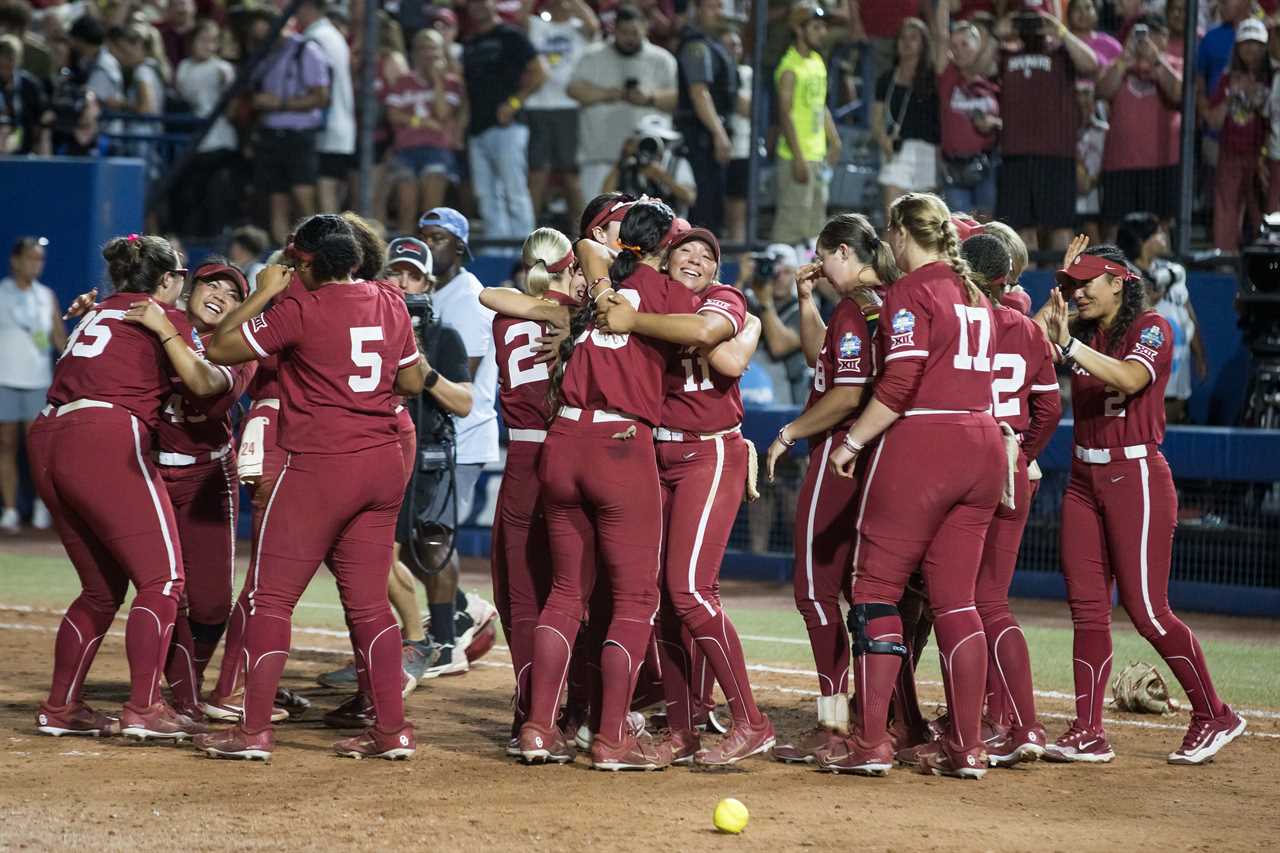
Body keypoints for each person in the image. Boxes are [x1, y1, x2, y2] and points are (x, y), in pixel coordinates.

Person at [196, 214, 427, 761]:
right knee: (370, 606)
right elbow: (414, 381)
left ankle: (253, 731)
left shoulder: (302, 308)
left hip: (321, 464)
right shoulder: (391, 300)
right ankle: (391, 731)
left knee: (271, 600)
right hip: (383, 461)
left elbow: (221, 348)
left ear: (306, 262)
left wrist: (259, 296)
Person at [515, 200, 716, 769]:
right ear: (664, 247)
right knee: (634, 600)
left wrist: (606, 287)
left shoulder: (601, 283)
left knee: (564, 594)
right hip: (620, 446)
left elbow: (586, 248)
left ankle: (537, 729)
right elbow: (708, 333)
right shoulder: (672, 294)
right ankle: (610, 739)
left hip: (562, 440)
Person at [819, 193, 1004, 778]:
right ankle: (966, 746)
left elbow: (899, 382)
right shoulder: (976, 293)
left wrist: (850, 443)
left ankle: (871, 742)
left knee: (874, 588)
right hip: (982, 443)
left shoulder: (910, 291)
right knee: (958, 601)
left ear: (899, 234)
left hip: (926, 442)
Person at [1040, 240, 1246, 766]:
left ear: (1119, 283)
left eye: (1088, 282)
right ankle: (1088, 730)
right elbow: (1041, 331)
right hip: (1083, 476)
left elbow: (1131, 378)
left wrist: (1070, 346)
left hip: (1136, 475)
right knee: (1087, 611)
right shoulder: (1084, 330)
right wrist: (1060, 290)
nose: (1079, 292)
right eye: (1073, 284)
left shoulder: (1152, 326)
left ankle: (1214, 713)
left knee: (1148, 610)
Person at [30, 234, 225, 741]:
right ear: (164, 280)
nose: (183, 288)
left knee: (100, 591)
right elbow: (204, 384)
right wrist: (169, 331)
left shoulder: (97, 312)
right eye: (179, 278)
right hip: (102, 436)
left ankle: (61, 706)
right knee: (163, 580)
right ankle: (143, 708)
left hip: (48, 434)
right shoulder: (161, 317)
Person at [601, 226, 772, 766]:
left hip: (709, 451)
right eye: (685, 252)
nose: (695, 259)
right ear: (663, 260)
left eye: (706, 255)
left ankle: (751, 720)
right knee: (662, 602)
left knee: (691, 591)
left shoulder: (725, 298)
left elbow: (717, 350)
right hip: (656, 455)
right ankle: (683, 728)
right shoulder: (648, 296)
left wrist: (634, 322)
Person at [762, 213, 897, 763]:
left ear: (842, 251)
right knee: (868, 592)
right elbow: (823, 359)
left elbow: (842, 394)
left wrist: (789, 432)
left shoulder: (854, 306)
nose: (818, 264)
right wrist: (807, 298)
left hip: (840, 451)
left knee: (815, 591)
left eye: (823, 255)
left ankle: (835, 721)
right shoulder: (880, 302)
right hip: (878, 456)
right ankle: (881, 720)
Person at [479, 227, 584, 753]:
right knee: (572, 592)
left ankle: (528, 713)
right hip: (571, 448)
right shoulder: (581, 315)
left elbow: (489, 294)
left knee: (522, 597)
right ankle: (572, 712)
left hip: (520, 455)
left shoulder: (506, 315)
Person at [960, 232, 1061, 766]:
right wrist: (1021, 454)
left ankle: (988, 722)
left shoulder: (957, 321)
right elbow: (1050, 409)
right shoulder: (1026, 327)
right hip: (1013, 463)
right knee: (991, 600)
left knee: (962, 601)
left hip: (963, 464)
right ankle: (1020, 723)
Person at [414, 207, 500, 675]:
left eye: (440, 238)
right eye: (424, 236)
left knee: (433, 538)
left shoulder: (466, 296)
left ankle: (447, 644)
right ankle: (466, 606)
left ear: (461, 248)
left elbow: (456, 373)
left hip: (461, 437)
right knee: (411, 539)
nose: (431, 244)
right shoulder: (434, 291)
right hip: (432, 436)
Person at [994, 7, 1099, 253]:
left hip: (1056, 155)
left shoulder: (1062, 52)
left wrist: (1060, 30)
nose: (1033, 27)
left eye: (1038, 22)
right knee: (1020, 232)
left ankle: (1064, 286)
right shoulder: (1005, 54)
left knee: (1060, 229)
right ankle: (1022, 290)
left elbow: (1091, 64)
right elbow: (981, 64)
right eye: (1027, 22)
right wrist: (999, 31)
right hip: (1015, 155)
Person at [568, 4, 678, 203]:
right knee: (596, 221)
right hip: (600, 156)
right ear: (614, 29)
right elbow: (573, 90)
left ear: (646, 28)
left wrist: (650, 97)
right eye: (624, 32)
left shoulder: (663, 59)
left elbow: (677, 99)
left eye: (634, 32)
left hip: (648, 164)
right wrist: (608, 94)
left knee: (647, 224)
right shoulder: (593, 55)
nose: (629, 38)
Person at [461, 0, 547, 241]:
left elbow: (539, 73)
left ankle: (524, 250)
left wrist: (513, 104)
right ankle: (496, 248)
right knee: (486, 194)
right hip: (478, 127)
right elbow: (468, 90)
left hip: (508, 126)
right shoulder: (469, 43)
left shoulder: (511, 36)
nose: (477, 6)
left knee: (514, 189)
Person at [1096, 14, 1182, 237]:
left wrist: (1156, 60)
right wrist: (1125, 59)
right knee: (1114, 228)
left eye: (1156, 33)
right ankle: (1113, 272)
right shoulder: (1119, 63)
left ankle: (1160, 273)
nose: (1148, 39)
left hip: (1161, 162)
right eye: (1143, 33)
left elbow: (1178, 94)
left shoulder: (1174, 63)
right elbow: (1103, 91)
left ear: (1166, 38)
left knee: (1158, 229)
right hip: (1120, 162)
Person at [0, 237, 64, 533]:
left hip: (39, 382)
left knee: (38, 449)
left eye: (40, 259)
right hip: (5, 381)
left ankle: (41, 506)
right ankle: (11, 510)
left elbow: (59, 341)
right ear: (15, 261)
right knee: (6, 445)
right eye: (30, 257)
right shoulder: (2, 293)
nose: (35, 264)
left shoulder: (47, 295)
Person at [1117, 213, 1206, 423]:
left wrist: (1200, 356)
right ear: (1142, 240)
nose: (1164, 236)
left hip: (1177, 369)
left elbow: (1188, 315)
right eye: (1157, 233)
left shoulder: (1172, 272)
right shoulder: (1122, 275)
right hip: (1143, 370)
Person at [248, 21, 331, 245]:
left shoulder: (306, 50)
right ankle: (286, 259)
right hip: (270, 134)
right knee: (276, 202)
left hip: (299, 135)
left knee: (303, 196)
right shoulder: (264, 54)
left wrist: (280, 103)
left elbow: (321, 96)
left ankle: (318, 251)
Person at [384, 28, 466, 236]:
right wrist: (420, 121)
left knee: (431, 212)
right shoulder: (403, 82)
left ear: (442, 52)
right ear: (414, 53)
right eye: (422, 48)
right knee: (406, 208)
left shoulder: (452, 83)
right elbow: (392, 115)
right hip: (406, 150)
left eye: (433, 48)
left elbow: (443, 113)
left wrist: (437, 80)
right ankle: (404, 256)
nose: (428, 53)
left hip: (437, 150)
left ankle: (430, 261)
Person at [525, 0, 599, 226]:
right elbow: (520, 17)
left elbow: (594, 27)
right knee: (537, 174)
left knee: (571, 175)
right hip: (537, 106)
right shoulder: (537, 25)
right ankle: (529, 234)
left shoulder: (579, 27)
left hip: (570, 107)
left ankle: (582, 235)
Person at [773, 4, 841, 246]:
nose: (823, 32)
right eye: (816, 27)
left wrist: (834, 141)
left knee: (815, 229)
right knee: (789, 229)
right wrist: (798, 157)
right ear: (798, 29)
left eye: (824, 27)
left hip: (817, 158)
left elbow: (819, 106)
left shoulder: (817, 62)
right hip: (796, 158)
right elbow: (785, 114)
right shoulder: (789, 67)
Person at [1207, 18, 1271, 253]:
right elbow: (1212, 119)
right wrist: (1231, 96)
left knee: (1262, 211)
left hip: (1262, 155)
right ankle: (1225, 260)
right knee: (1227, 208)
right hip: (1231, 152)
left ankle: (1268, 262)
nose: (1251, 49)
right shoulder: (1226, 79)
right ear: (1237, 48)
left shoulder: (1272, 78)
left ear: (1265, 47)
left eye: (1256, 44)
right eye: (1245, 43)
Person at [932, 7, 1001, 220]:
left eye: (965, 44)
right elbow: (940, 35)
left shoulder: (997, 78)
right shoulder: (948, 76)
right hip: (955, 168)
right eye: (954, 46)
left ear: (978, 45)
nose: (958, 50)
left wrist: (995, 123)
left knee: (986, 230)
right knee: (960, 230)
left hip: (988, 165)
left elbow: (1014, 121)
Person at [674, 0, 736, 233]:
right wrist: (718, 134)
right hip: (699, 138)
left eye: (721, 7)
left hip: (708, 135)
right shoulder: (696, 46)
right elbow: (699, 92)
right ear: (697, 9)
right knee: (704, 210)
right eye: (712, 7)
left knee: (713, 209)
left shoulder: (714, 44)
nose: (718, 13)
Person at [173, 20, 238, 236]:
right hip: (194, 140)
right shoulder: (184, 67)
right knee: (190, 193)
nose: (208, 46)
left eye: (213, 41)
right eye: (203, 40)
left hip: (219, 140)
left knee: (215, 192)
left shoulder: (223, 68)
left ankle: (215, 235)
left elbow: (232, 106)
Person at [874, 18, 941, 217]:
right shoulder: (886, 78)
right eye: (903, 37)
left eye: (914, 38)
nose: (906, 42)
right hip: (898, 150)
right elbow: (876, 117)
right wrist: (882, 138)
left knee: (923, 223)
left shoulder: (933, 77)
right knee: (893, 219)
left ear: (924, 44)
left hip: (927, 151)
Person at [297, 0, 355, 214]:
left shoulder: (317, 38)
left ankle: (327, 243)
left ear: (308, 7)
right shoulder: (333, 34)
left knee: (325, 188)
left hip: (326, 125)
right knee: (329, 187)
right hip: (339, 124)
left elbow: (320, 86)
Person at [601, 114, 696, 216]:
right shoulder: (629, 163)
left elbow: (690, 197)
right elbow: (606, 196)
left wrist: (662, 177)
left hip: (672, 225)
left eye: (661, 139)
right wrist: (622, 160)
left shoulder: (677, 163)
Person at [0, 34, 49, 154]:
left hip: (25, 152)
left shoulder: (30, 85)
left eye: (10, 64)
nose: (5, 70)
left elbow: (43, 117)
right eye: (1, 66)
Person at [1067, 0, 1122, 66]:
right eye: (1077, 8)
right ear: (1069, 14)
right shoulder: (1062, 43)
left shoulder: (1110, 45)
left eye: (1088, 8)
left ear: (1096, 13)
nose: (1083, 13)